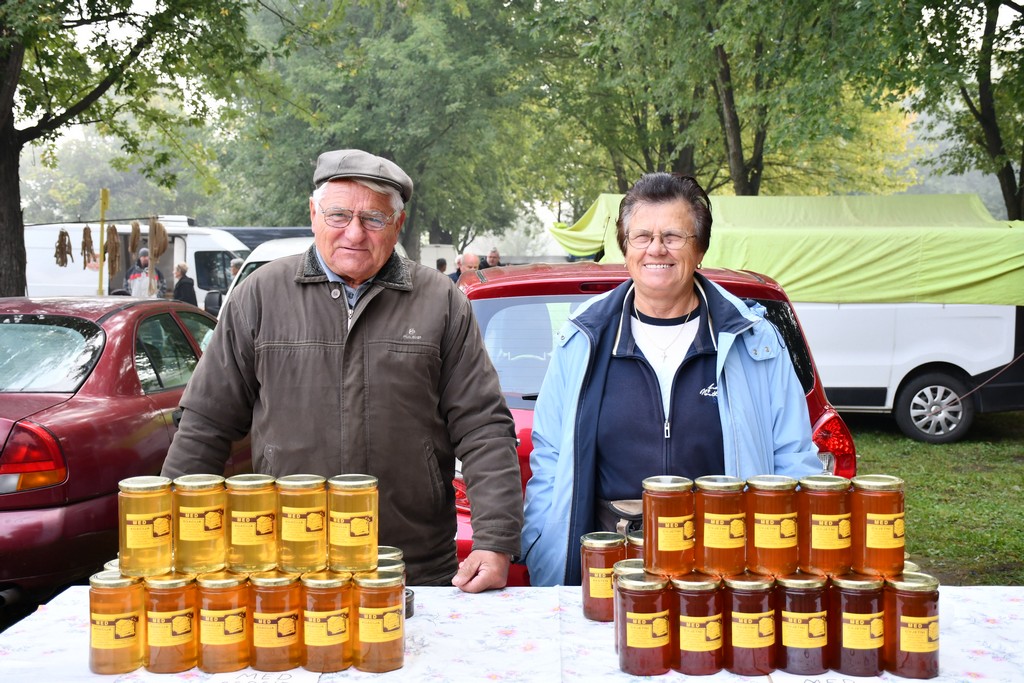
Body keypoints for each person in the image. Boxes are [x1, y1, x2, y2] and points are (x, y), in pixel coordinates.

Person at [161, 149, 522, 592]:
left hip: (411, 564)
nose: (354, 233)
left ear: (398, 225)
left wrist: (496, 539)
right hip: (285, 562)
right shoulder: (260, 295)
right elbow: (206, 422)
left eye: (373, 219)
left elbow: (484, 426)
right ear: (313, 214)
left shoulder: (440, 301)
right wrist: (171, 536)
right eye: (338, 215)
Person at [520, 173, 821, 586]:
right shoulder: (582, 338)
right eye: (641, 236)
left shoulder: (755, 340)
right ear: (625, 248)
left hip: (725, 565)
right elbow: (550, 459)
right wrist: (543, 548)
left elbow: (793, 458)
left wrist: (784, 560)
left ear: (699, 248)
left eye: (674, 236)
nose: (656, 249)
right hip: (611, 560)